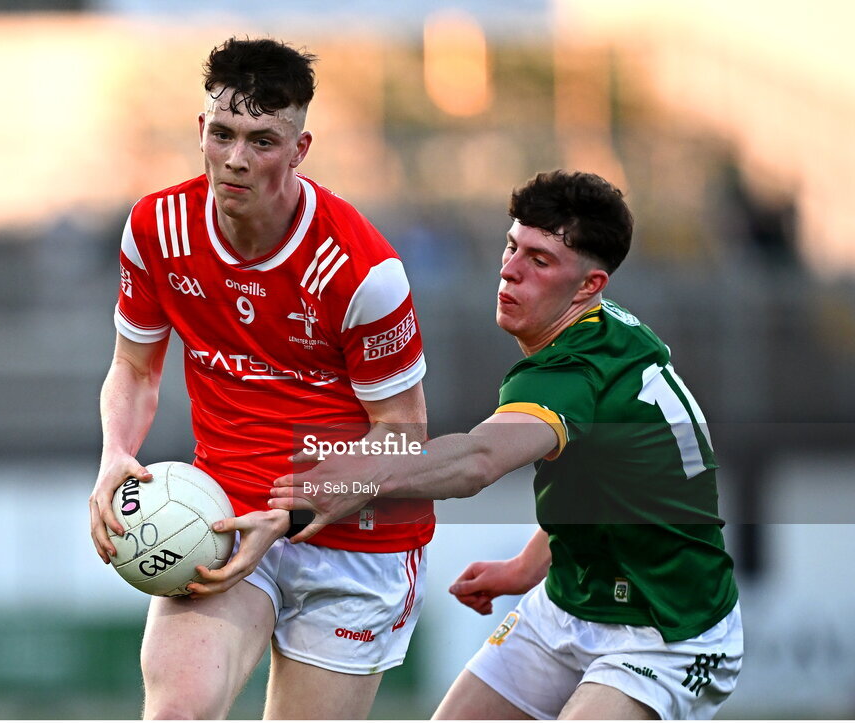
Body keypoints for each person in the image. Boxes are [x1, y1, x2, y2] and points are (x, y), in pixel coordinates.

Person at [270, 170, 743, 719]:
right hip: (566, 606)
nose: (509, 271)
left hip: (666, 631)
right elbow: (606, 486)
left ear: (589, 285)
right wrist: (525, 567)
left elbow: (478, 460)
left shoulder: (569, 373)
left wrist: (358, 479)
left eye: (540, 261)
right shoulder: (605, 333)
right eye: (512, 246)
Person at [87, 38, 433, 720]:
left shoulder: (363, 271)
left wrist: (293, 514)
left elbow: (403, 437)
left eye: (263, 140)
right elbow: (133, 367)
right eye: (223, 133)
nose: (236, 159)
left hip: (353, 542)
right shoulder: (157, 229)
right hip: (222, 515)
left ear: (301, 148)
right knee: (175, 709)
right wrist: (115, 453)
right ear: (201, 131)